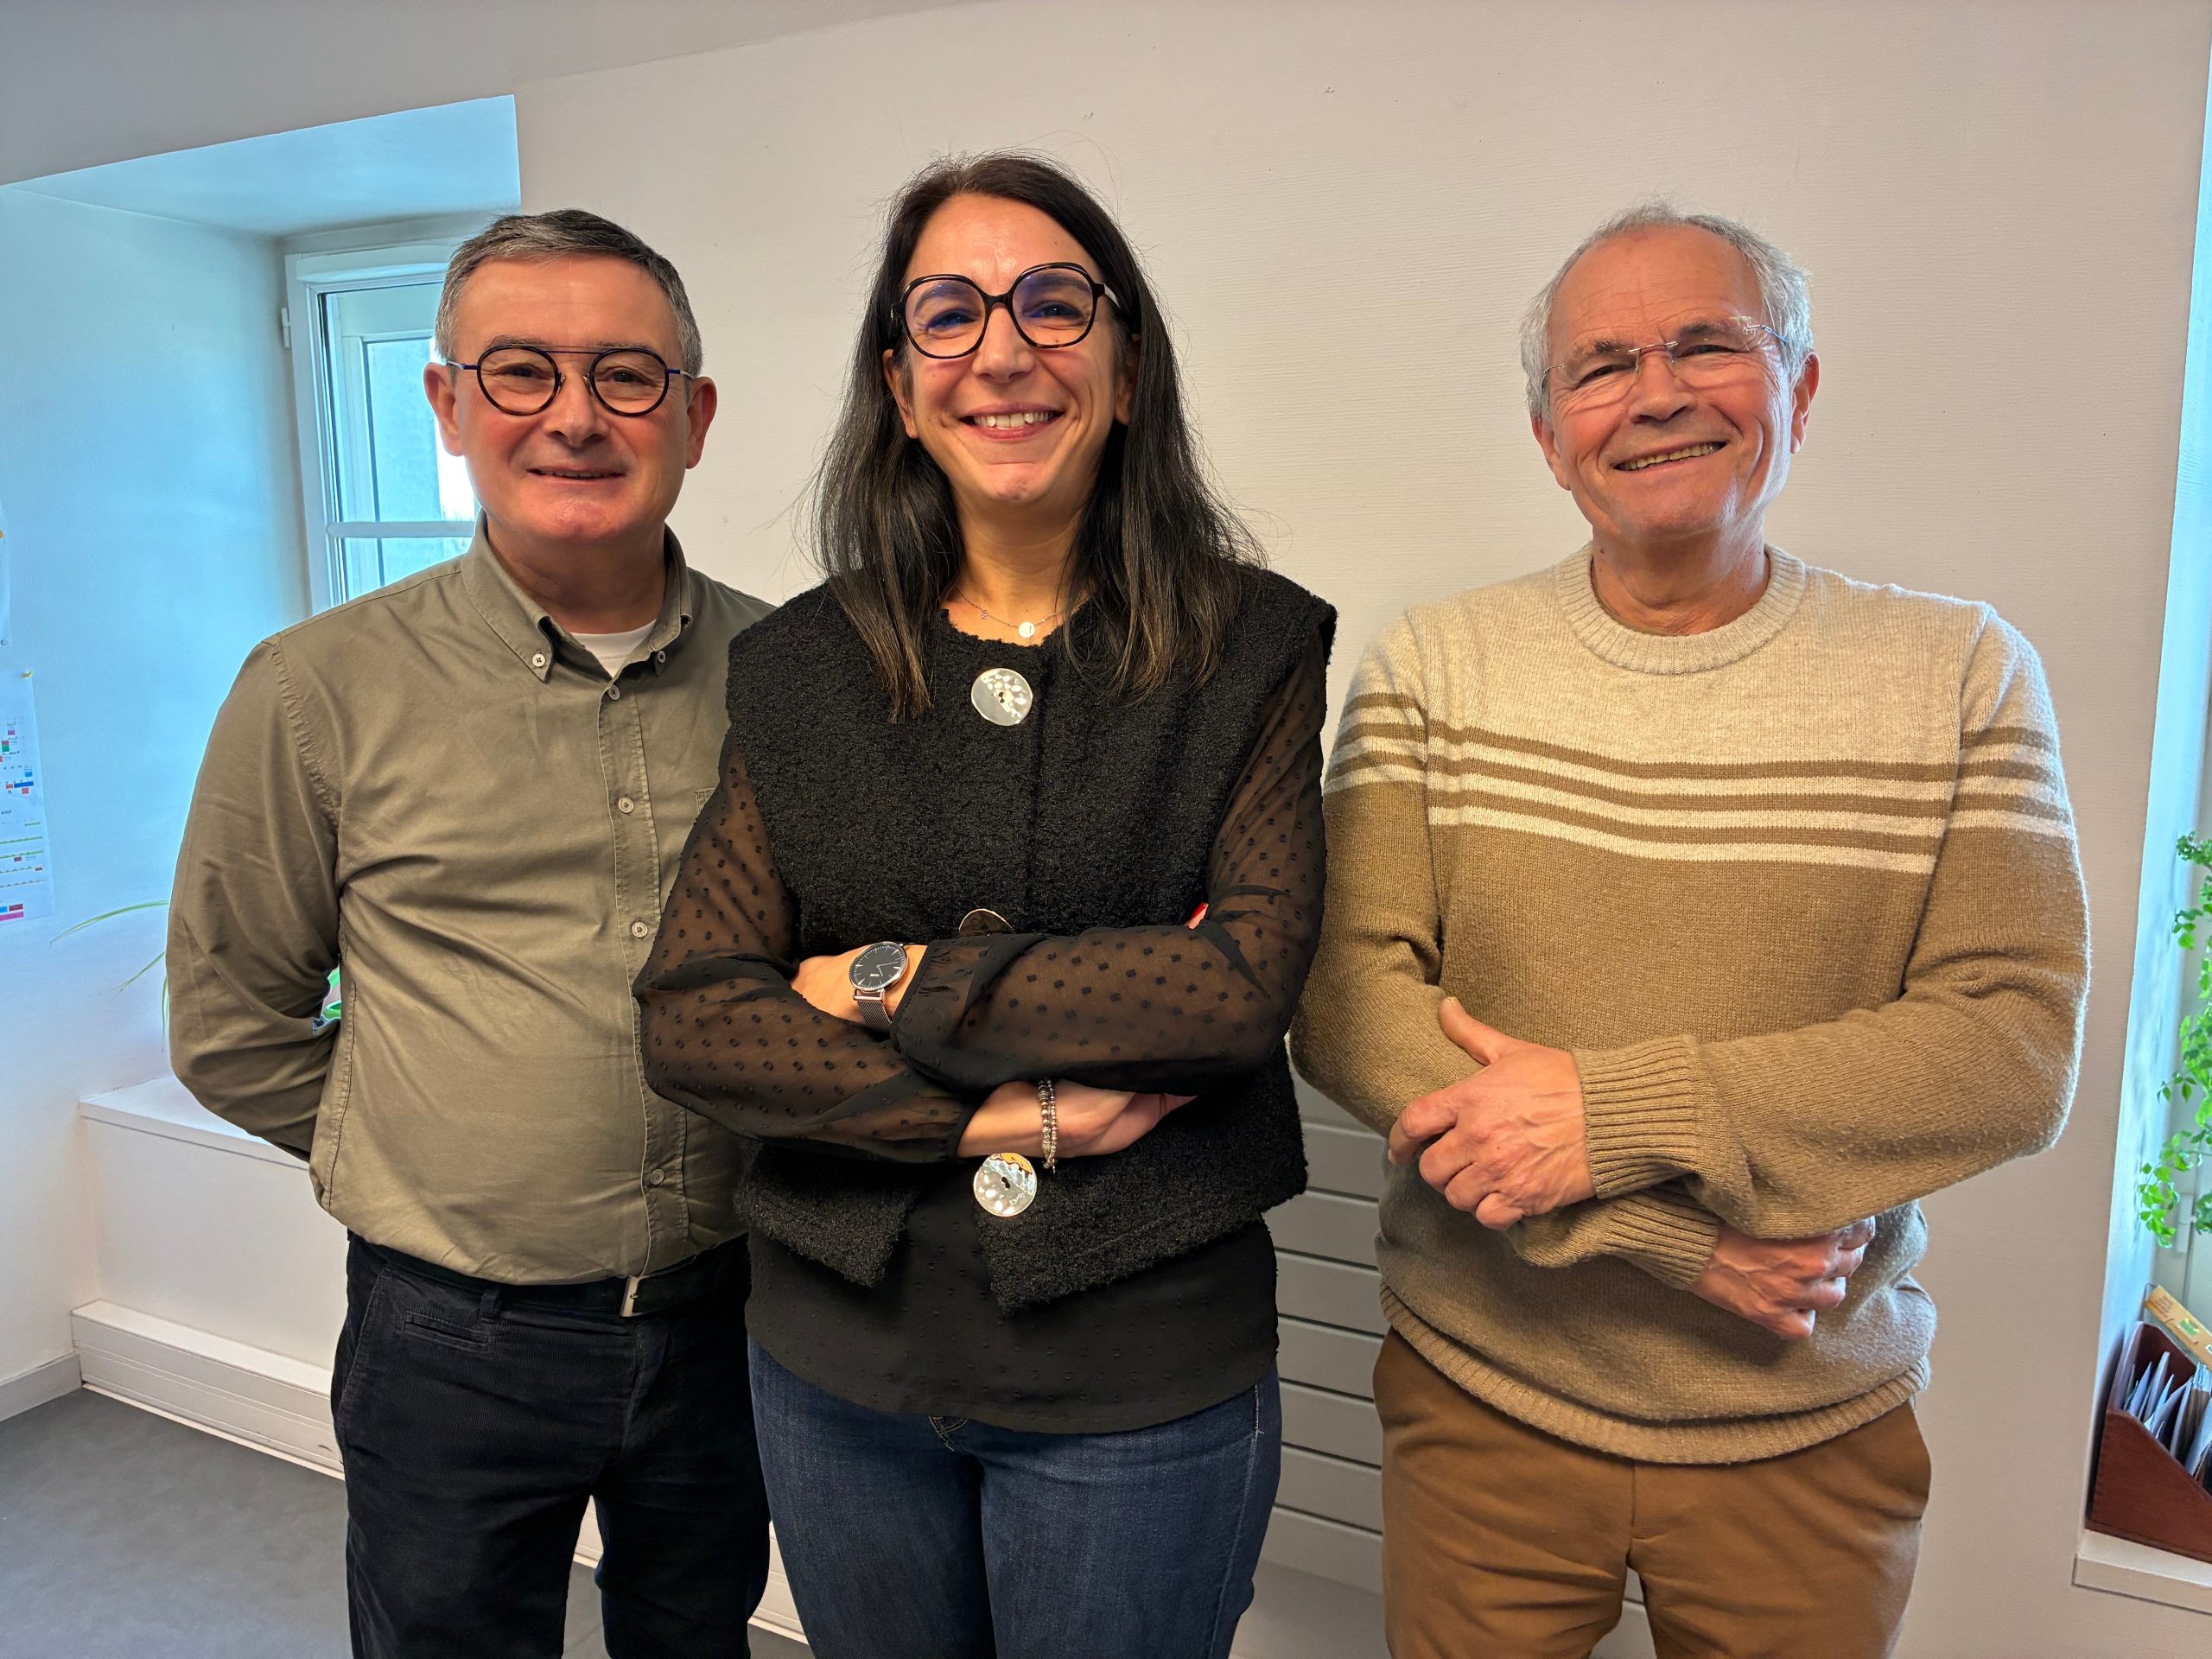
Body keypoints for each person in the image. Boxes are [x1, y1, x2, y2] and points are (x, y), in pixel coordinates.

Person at [1292, 204, 2088, 1659]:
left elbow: (2013, 1051)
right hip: (1483, 1409)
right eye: (1600, 366)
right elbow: (1347, 999)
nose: (1655, 393)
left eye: (1707, 346)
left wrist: (1610, 1112)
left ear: (1798, 386)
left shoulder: (1962, 671)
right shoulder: (1436, 664)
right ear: (1548, 432)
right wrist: (1661, 1233)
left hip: (1803, 1433)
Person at [636, 152, 1332, 1659]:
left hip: (1140, 1370)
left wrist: (878, 979)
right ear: (899, 385)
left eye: (1054, 304)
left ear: (1127, 368)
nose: (1002, 348)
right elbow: (694, 1019)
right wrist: (989, 1120)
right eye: (946, 313)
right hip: (836, 1366)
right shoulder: (800, 671)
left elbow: (1236, 992)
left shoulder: (1253, 647)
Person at [168, 210, 774, 1659]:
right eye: (520, 372)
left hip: (737, 1319)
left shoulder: (795, 679)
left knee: (699, 1639)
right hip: (453, 1343)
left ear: (692, 417)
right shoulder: (317, 689)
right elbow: (232, 1024)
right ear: (446, 404)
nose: (574, 417)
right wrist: (425, 1156)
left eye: (627, 377)